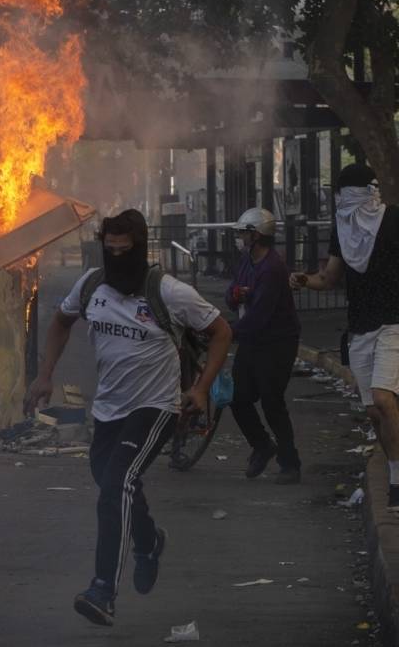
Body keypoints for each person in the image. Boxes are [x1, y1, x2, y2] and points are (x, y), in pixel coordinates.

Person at [25, 209, 232, 627]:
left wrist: (200, 388)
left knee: (115, 485)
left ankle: (103, 590)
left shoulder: (169, 292)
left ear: (140, 248)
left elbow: (221, 331)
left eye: (125, 251)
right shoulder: (91, 286)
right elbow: (60, 323)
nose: (117, 258)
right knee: (113, 482)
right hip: (108, 409)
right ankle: (149, 541)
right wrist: (45, 374)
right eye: (110, 250)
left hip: (154, 408)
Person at [292, 162, 399, 509]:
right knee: (373, 412)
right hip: (360, 327)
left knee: (384, 399)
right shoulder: (344, 230)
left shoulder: (394, 221)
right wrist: (306, 280)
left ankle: (398, 480)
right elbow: (330, 277)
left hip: (394, 323)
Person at [225, 208, 303, 483]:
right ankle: (262, 445)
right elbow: (232, 293)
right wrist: (236, 294)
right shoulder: (247, 260)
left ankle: (290, 462)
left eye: (244, 233)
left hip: (276, 342)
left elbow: (259, 316)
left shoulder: (272, 269)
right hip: (252, 340)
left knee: (272, 402)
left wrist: (228, 333)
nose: (240, 238)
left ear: (256, 236)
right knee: (237, 397)